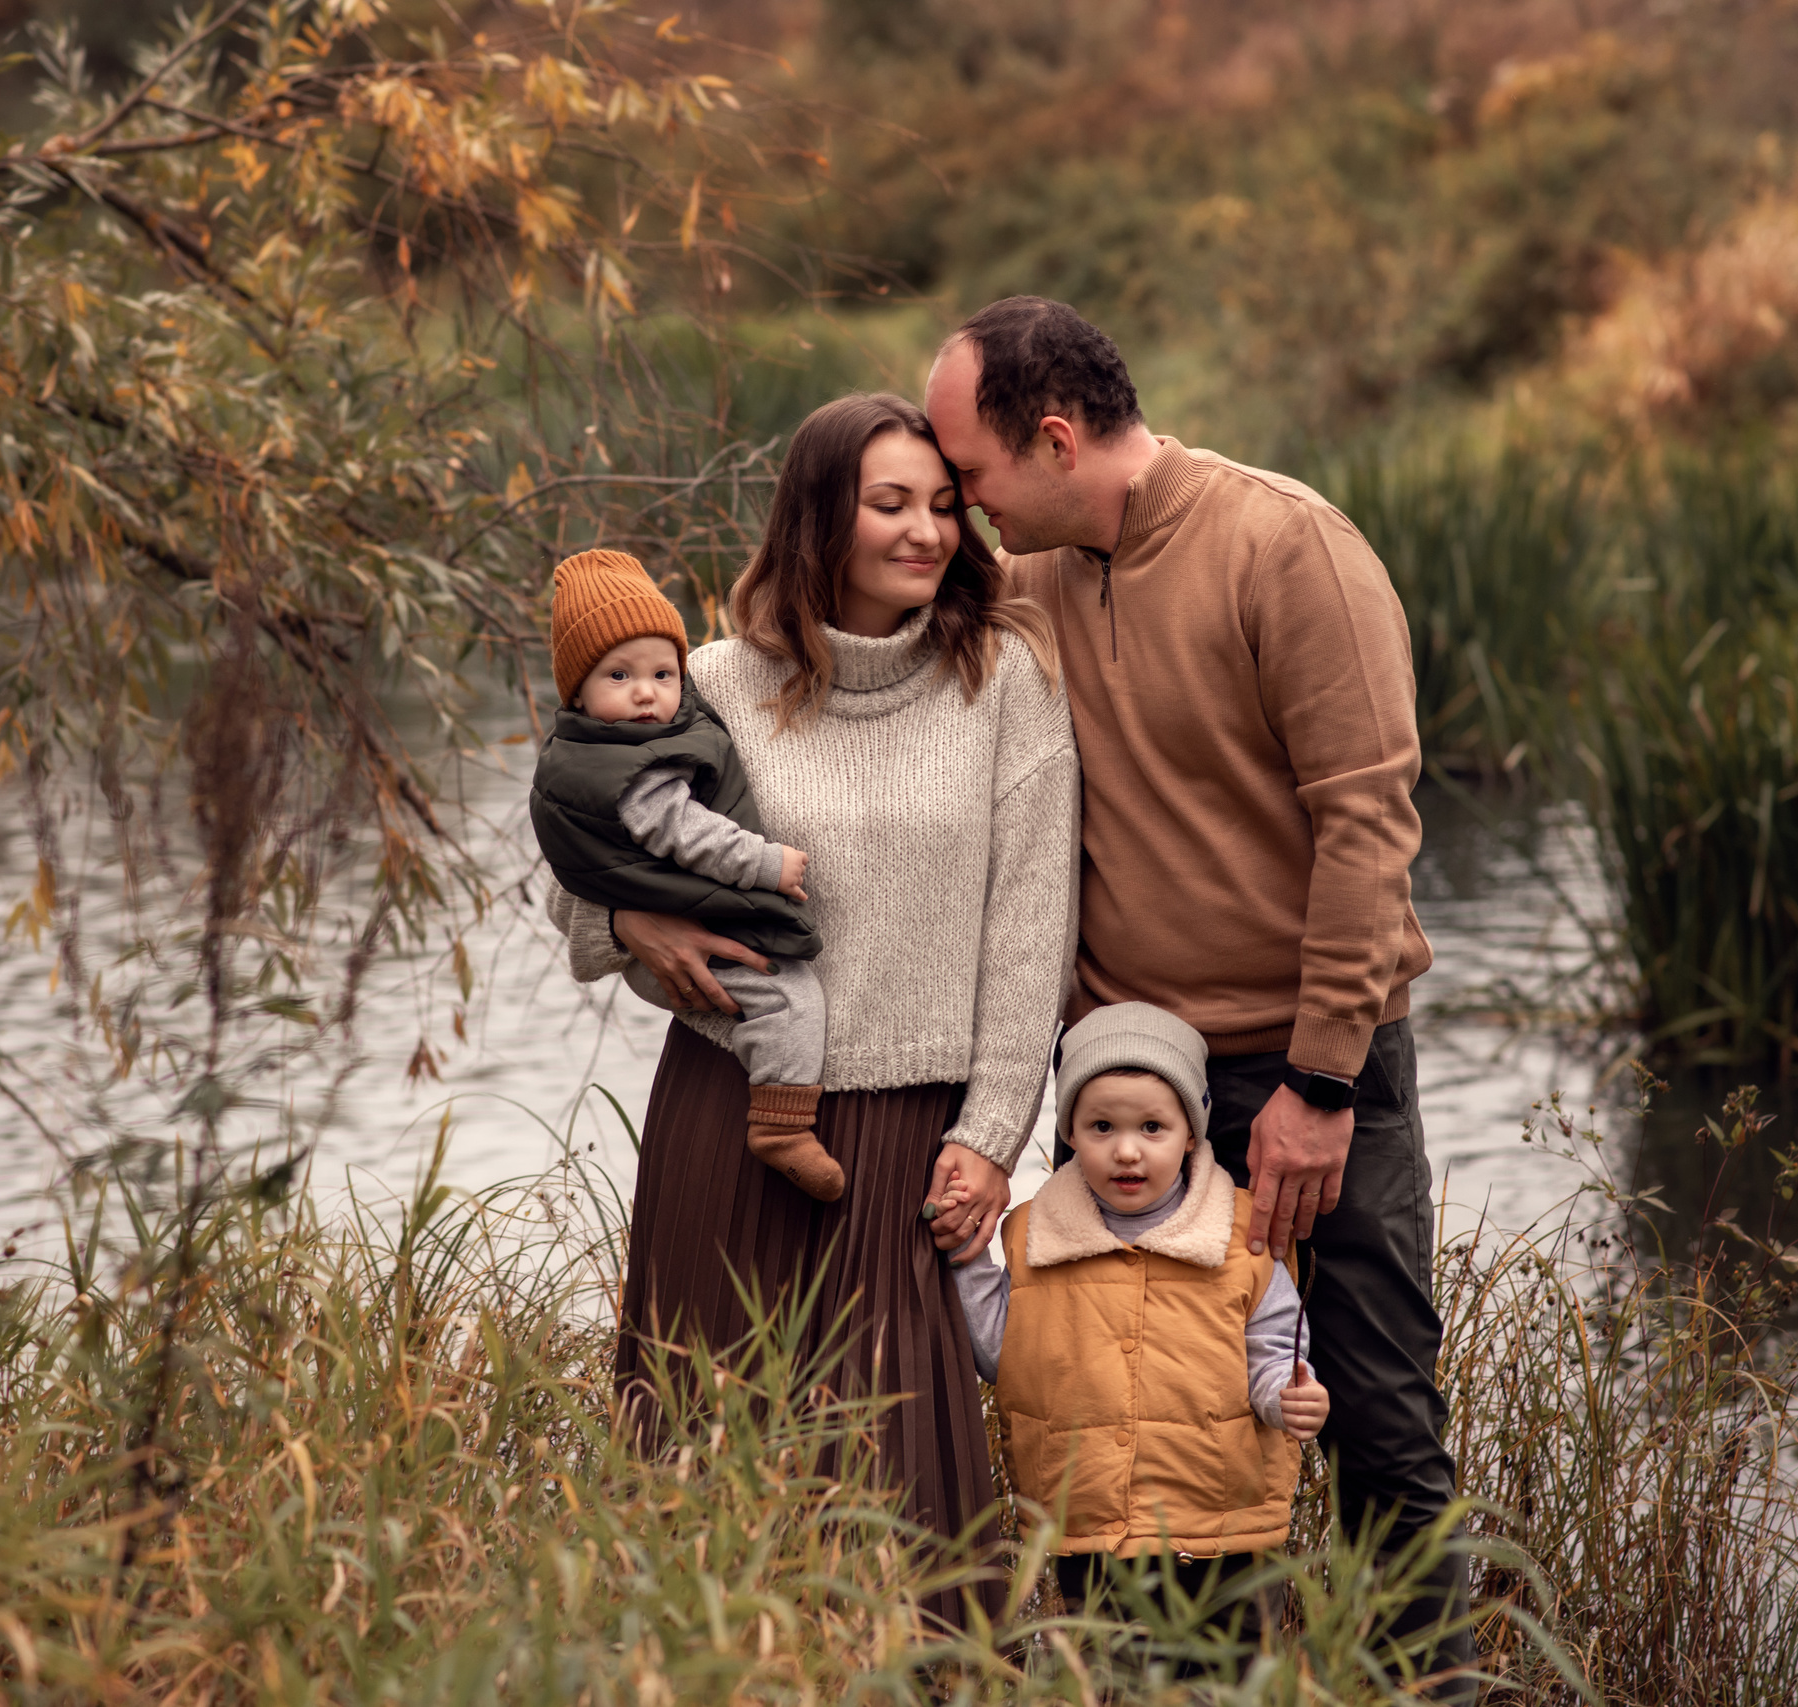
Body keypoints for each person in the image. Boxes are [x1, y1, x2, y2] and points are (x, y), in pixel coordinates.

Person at [923, 295, 1473, 1687]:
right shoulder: (1033, 580)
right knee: (1145, 1465)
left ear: (1055, 442)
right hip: (1126, 1090)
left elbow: (1368, 824)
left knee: (1378, 1432)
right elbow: (835, 664)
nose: (964, 509)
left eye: (972, 475)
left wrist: (1320, 1081)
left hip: (1310, 1076)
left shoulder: (1287, 547)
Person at [544, 393, 1076, 1604]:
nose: (925, 531)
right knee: (702, 1452)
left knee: (906, 1477)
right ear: (818, 515)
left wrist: (995, 1135)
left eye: (942, 505)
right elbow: (577, 874)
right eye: (890, 504)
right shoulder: (708, 685)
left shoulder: (1006, 680)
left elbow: (1031, 928)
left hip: (910, 1136)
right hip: (726, 1116)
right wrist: (630, 923)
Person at [947, 1003, 1328, 1639]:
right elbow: (1001, 1355)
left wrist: (1286, 1395)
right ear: (1070, 1132)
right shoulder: (1032, 1235)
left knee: (1230, 1675)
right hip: (1089, 1527)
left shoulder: (1243, 1236)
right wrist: (966, 1257)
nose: (1127, 1151)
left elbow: (1271, 1344)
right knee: (1110, 1673)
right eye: (1102, 1126)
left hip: (1223, 1526)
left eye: (1153, 1127)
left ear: (1191, 1133)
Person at [529, 548, 841, 1200]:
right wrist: (766, 864)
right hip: (699, 966)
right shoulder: (638, 766)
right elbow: (685, 833)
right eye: (619, 675)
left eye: (663, 673)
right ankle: (781, 1125)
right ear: (577, 692)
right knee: (787, 997)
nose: (647, 692)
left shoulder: (619, 741)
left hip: (701, 941)